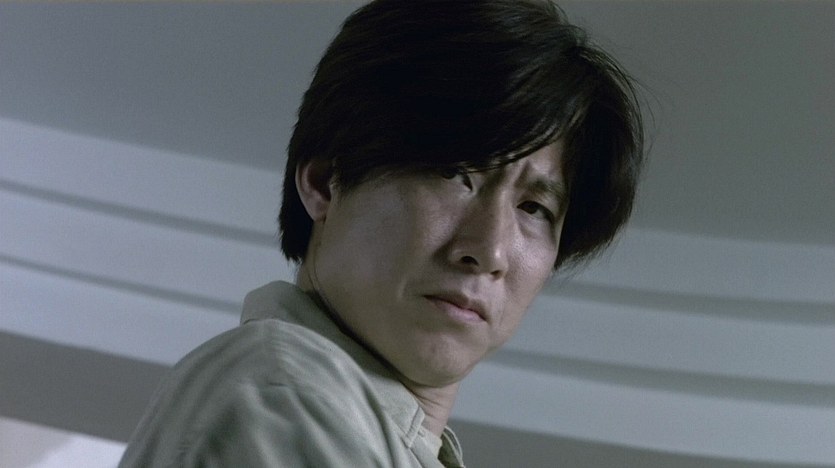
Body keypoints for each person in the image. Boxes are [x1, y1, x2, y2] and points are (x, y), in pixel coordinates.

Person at [119, 0, 644, 466]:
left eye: (534, 207)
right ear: (325, 182)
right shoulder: (284, 388)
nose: (490, 250)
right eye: (454, 174)